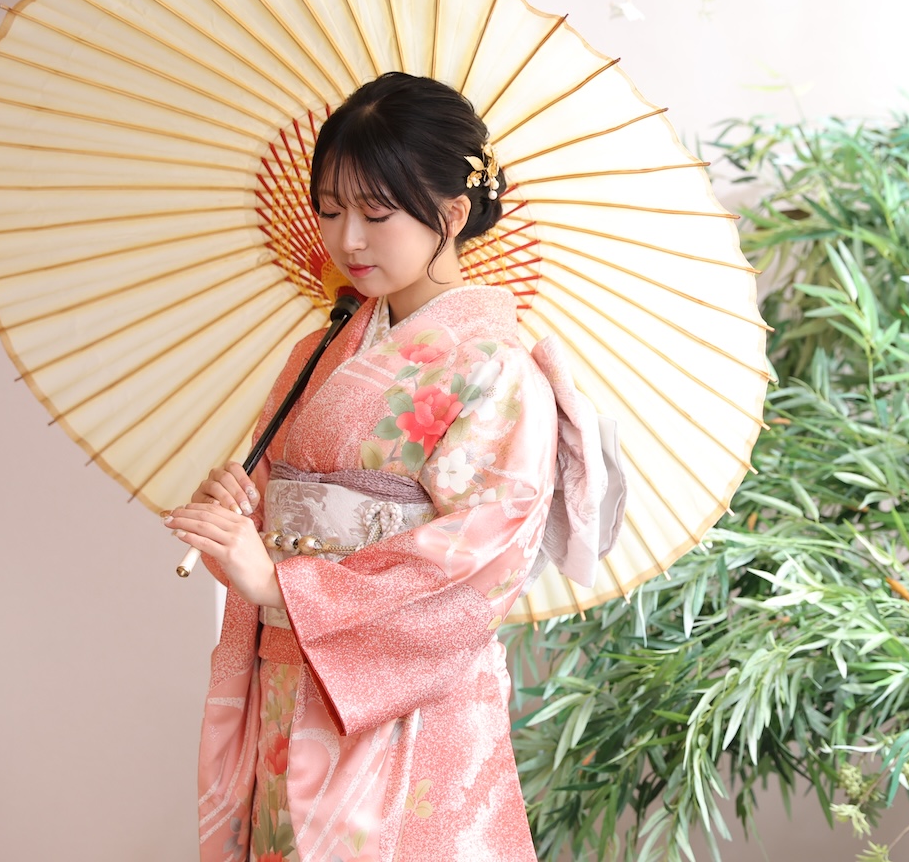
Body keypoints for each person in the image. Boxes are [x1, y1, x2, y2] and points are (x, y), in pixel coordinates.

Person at [162, 72, 622, 862]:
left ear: (452, 214)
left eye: (376, 214)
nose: (347, 241)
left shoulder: (497, 370)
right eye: (330, 209)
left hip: (406, 703)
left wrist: (282, 585)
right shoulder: (316, 352)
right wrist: (241, 511)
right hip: (290, 685)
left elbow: (475, 564)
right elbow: (274, 516)